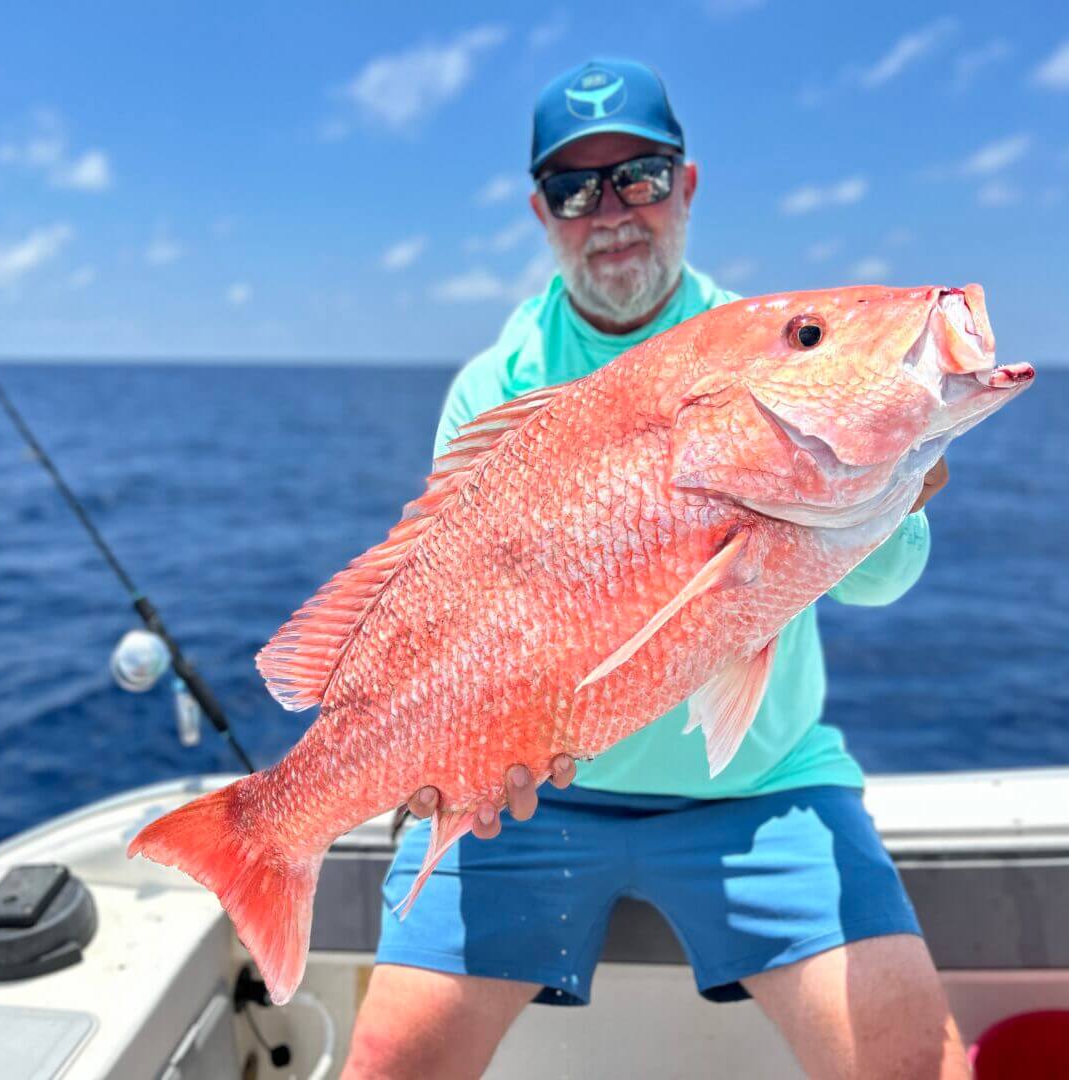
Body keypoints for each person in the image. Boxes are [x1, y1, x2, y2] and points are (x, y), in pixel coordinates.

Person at [343, 58, 966, 1079]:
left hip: (759, 782)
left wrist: (889, 487)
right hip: (549, 791)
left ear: (687, 185)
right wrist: (446, 760)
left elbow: (878, 581)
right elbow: (446, 608)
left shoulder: (778, 343)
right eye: (576, 189)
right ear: (541, 213)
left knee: (915, 1062)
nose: (611, 212)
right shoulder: (496, 389)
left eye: (639, 175)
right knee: (387, 1062)